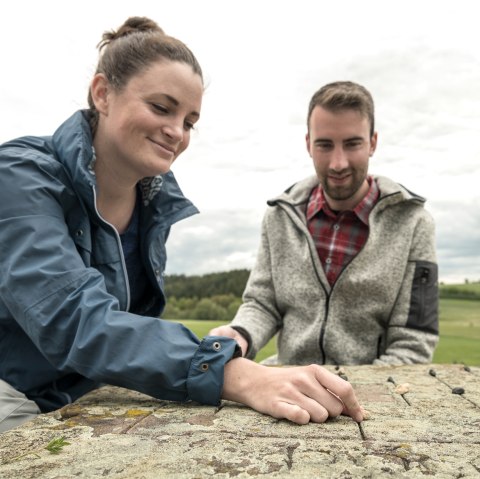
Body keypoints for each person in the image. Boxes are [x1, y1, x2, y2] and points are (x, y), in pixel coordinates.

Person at [0, 18, 364, 433]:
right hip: (13, 391)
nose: (176, 132)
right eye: (161, 107)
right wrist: (234, 373)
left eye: (189, 121)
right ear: (102, 93)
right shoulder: (19, 175)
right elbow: (72, 320)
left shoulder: (152, 204)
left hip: (89, 396)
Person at [210, 81, 439, 366]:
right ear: (308, 144)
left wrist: (347, 392)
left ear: (373, 143)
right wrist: (239, 335)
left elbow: (413, 343)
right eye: (325, 145)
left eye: (352, 144)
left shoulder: (414, 223)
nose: (338, 163)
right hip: (289, 383)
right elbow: (262, 303)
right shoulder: (280, 216)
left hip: (370, 397)